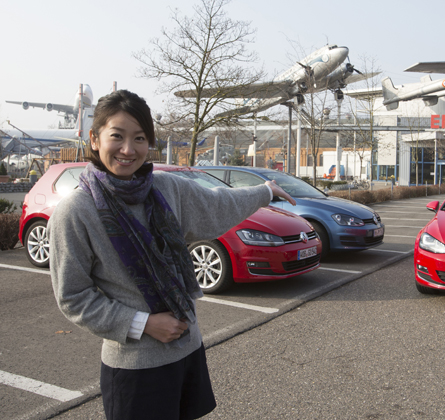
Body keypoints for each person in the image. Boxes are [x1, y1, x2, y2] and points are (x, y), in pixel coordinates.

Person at [48, 89, 296, 420]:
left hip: (186, 349)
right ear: (94, 139)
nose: (128, 149)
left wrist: (263, 192)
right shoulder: (76, 212)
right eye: (117, 137)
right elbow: (74, 297)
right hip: (136, 367)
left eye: (139, 138)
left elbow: (216, 204)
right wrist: (143, 324)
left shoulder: (164, 188)